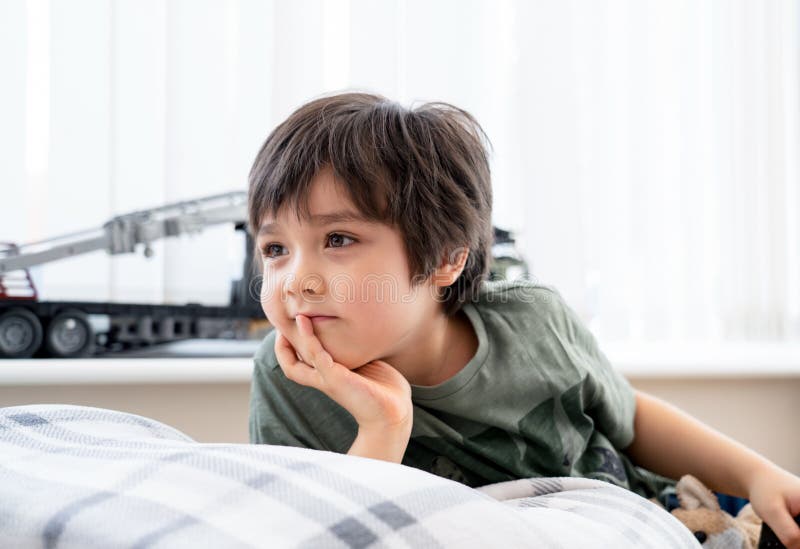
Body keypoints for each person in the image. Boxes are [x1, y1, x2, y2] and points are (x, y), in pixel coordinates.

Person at [248, 92, 800, 548]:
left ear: (445, 258)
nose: (296, 280)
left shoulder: (534, 324)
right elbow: (323, 536)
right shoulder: (285, 378)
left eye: (337, 239)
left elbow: (633, 419)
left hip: (658, 513)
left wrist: (759, 475)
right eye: (275, 249)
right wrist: (382, 430)